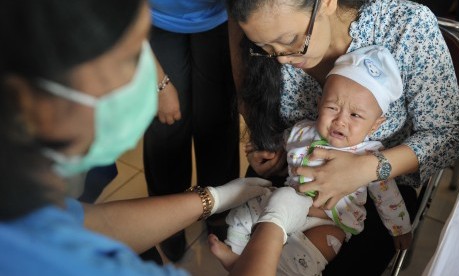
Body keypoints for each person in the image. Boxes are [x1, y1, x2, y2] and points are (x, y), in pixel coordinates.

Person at [0, 0, 314, 275]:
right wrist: (273, 224)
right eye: (133, 57)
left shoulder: (30, 209)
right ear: (30, 101)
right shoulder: (73, 260)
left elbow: (85, 222)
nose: (146, 79)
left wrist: (215, 199)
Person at [226, 0, 459, 274]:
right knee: (245, 246)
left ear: (326, 3)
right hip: (296, 171)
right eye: (266, 49)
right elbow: (278, 126)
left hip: (379, 187)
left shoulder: (404, 26)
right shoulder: (268, 42)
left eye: (291, 40)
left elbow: (450, 135)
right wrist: (270, 148)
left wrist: (366, 168)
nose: (282, 59)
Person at [209, 45, 413, 275]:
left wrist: (400, 229)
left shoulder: (370, 156)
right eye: (332, 107)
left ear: (376, 124)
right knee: (245, 213)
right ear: (319, 104)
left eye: (355, 115)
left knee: (311, 253)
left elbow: (388, 197)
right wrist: (268, 148)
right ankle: (237, 253)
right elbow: (283, 141)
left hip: (329, 221)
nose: (340, 121)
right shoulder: (302, 131)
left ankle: (272, 270)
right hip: (288, 202)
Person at [143, 0, 240, 262]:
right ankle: (167, 216)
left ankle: (220, 210)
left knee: (217, 119)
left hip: (221, 17)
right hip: (152, 18)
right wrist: (158, 84)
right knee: (167, 123)